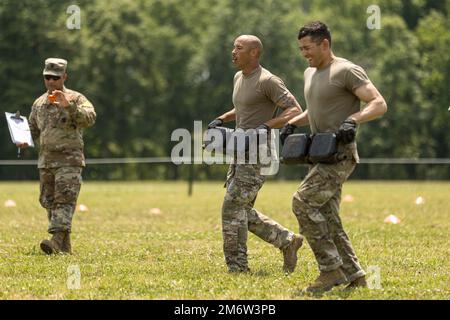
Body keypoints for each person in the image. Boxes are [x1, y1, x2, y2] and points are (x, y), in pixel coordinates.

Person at [280, 21, 387, 292]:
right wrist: (294, 122)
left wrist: (354, 119)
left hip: (340, 153)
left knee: (302, 202)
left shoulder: (346, 70)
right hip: (319, 153)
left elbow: (378, 103)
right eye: (301, 48)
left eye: (308, 48)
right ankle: (356, 275)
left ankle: (330, 271)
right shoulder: (309, 73)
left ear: (325, 43)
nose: (304, 53)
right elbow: (316, 109)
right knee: (328, 216)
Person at [208, 35, 304, 273]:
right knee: (241, 209)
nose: (233, 51)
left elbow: (294, 110)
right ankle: (287, 241)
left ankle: (238, 267)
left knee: (232, 207)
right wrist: (223, 118)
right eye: (233, 47)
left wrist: (266, 126)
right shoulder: (238, 77)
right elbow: (243, 107)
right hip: (239, 149)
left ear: (254, 53)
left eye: (239, 48)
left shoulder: (268, 80)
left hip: (259, 153)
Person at [17, 58, 96, 254]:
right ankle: (64, 248)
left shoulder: (76, 99)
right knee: (49, 202)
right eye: (47, 77)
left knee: (64, 200)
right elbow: (33, 130)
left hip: (69, 161)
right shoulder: (39, 103)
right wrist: (23, 140)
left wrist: (68, 106)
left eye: (55, 77)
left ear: (64, 77)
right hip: (46, 162)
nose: (51, 81)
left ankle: (55, 240)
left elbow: (89, 119)